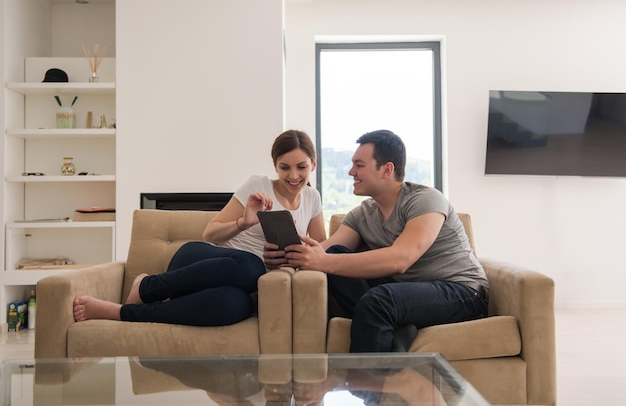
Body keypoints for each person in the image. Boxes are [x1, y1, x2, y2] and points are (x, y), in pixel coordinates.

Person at [264, 129, 489, 353]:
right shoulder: (362, 214)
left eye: (359, 165)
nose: (351, 172)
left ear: (387, 169)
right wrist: (290, 256)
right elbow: (326, 251)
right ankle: (399, 325)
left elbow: (401, 259)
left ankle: (364, 387)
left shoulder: (425, 200)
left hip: (461, 291)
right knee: (339, 253)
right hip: (404, 292)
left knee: (380, 300)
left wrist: (322, 261)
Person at [73, 129, 325, 326]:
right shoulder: (258, 186)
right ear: (275, 166)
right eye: (285, 167)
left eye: (301, 167)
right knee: (251, 266)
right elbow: (209, 233)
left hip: (242, 284)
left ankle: (122, 313)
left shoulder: (312, 198)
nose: (293, 176)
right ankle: (147, 286)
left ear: (313, 164)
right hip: (201, 260)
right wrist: (243, 223)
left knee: (234, 307)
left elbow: (321, 250)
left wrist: (295, 255)